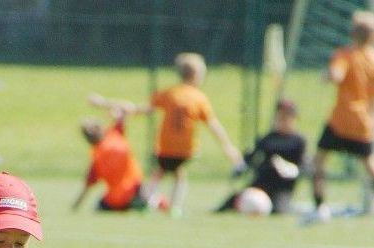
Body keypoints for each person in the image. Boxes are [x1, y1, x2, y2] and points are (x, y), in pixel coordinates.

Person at [93, 53, 246, 217]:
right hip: (186, 149)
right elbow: (213, 125)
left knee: (160, 172)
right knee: (177, 174)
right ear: (197, 75)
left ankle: (147, 202)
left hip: (165, 146)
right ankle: (172, 207)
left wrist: (107, 104)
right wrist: (228, 147)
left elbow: (143, 109)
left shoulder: (170, 93)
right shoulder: (199, 98)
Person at [307, 10, 374, 222]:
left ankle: (320, 207)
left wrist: (326, 75)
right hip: (362, 122)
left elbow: (337, 75)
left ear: (353, 33)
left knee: (319, 160)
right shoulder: (372, 59)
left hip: (341, 120)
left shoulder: (345, 55)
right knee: (369, 165)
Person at [217, 98, 306, 215]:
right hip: (261, 184)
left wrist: (289, 168)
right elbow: (251, 158)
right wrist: (241, 167)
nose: (282, 120)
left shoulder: (298, 141)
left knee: (278, 210)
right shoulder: (268, 138)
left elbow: (304, 166)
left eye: (286, 117)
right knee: (233, 200)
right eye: (279, 116)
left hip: (282, 187)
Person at [72, 107, 147, 212]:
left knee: (100, 206)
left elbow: (88, 184)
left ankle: (134, 203)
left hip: (116, 199)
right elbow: (122, 114)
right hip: (137, 188)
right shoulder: (115, 134)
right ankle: (145, 201)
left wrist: (75, 207)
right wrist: (110, 109)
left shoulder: (97, 156)